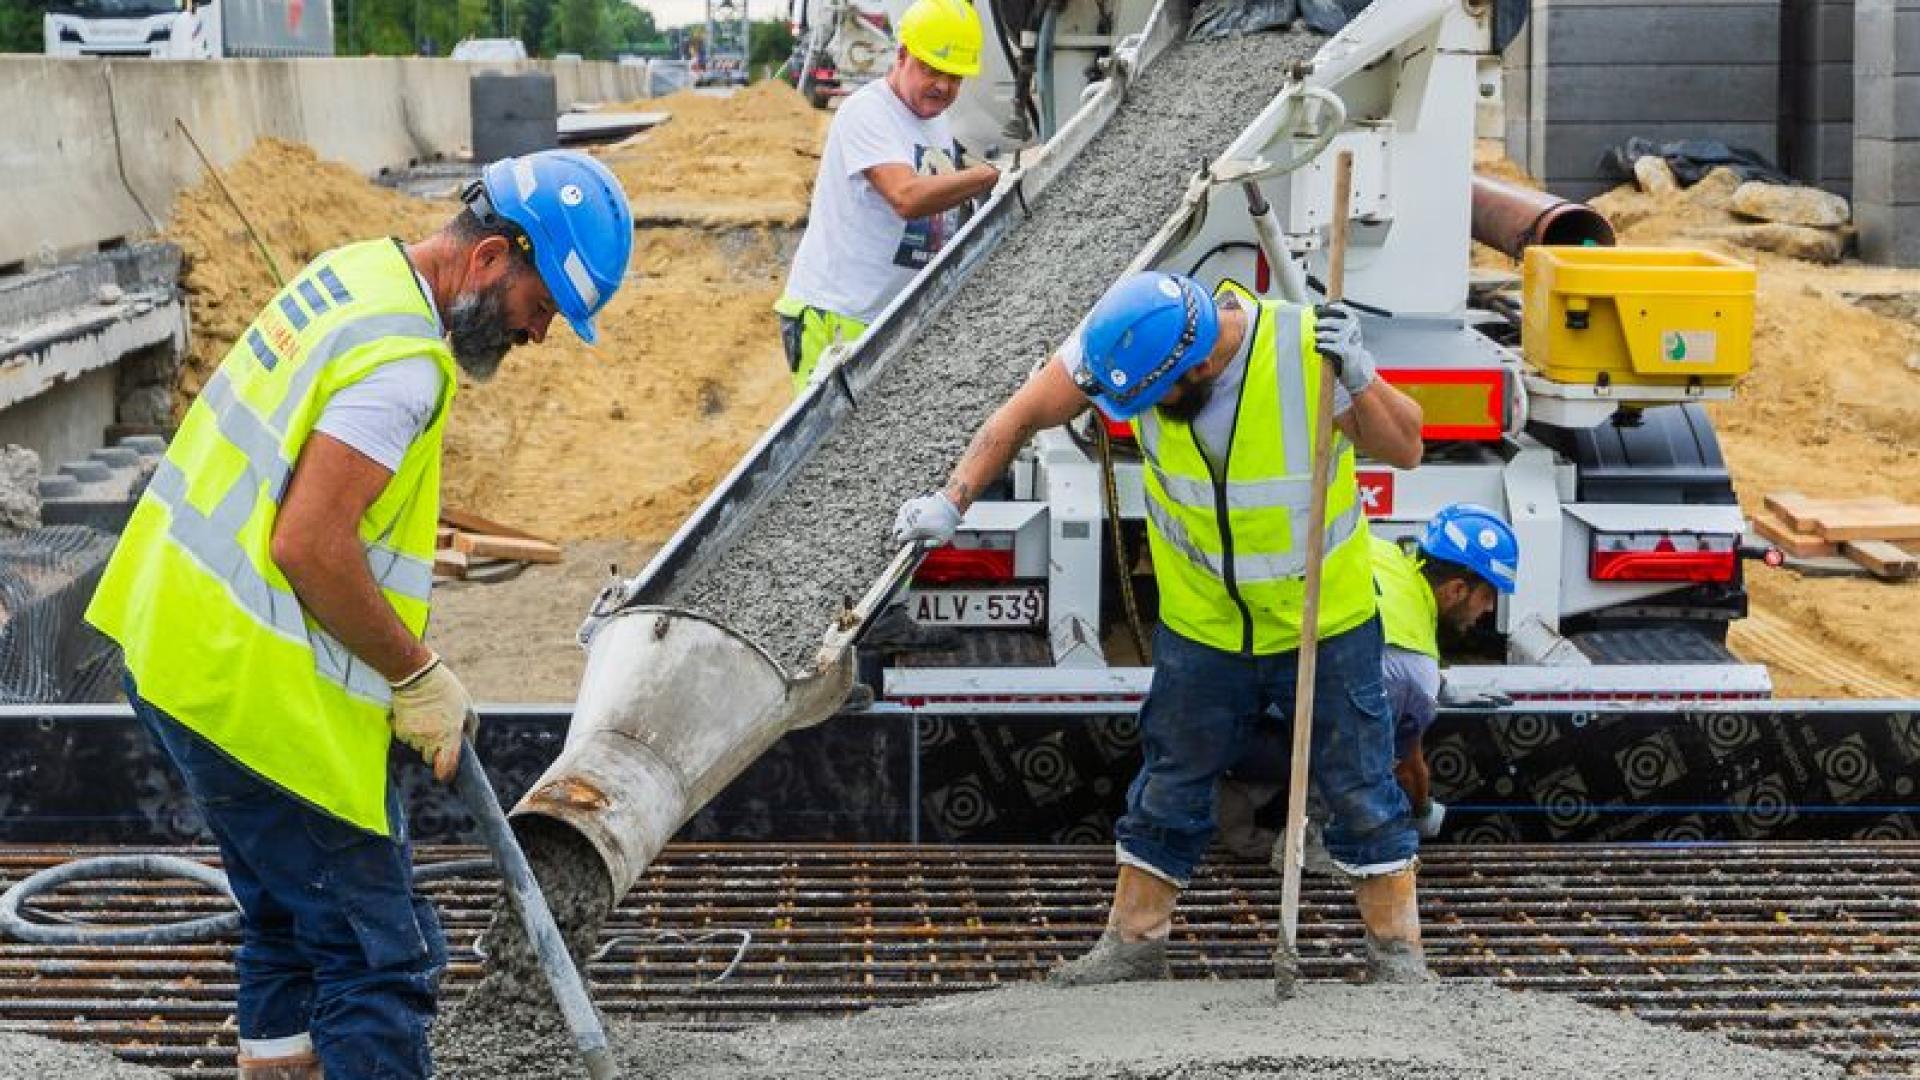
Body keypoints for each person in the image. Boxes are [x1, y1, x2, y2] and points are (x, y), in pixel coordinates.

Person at [84, 150, 633, 1079]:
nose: (537, 336)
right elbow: (310, 544)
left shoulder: (355, 274)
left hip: (176, 649)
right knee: (381, 958)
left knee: (287, 927)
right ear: (491, 257)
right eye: (540, 307)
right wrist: (416, 673)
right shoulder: (402, 367)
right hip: (256, 697)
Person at [892, 270, 1430, 985]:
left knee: (1361, 787)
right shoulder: (1130, 341)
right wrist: (953, 499)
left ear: (1199, 367)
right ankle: (1135, 944)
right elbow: (1021, 414)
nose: (1141, 413)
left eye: (1156, 400)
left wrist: (1361, 379)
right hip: (1203, 626)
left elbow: (1407, 448)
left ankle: (1397, 956)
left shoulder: (1305, 350)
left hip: (1322, 623)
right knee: (1169, 783)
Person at [1212, 505, 1521, 863]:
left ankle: (1234, 826)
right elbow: (1404, 765)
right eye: (1488, 596)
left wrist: (1438, 684)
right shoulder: (1413, 670)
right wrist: (1422, 810)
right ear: (1456, 590)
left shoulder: (1380, 551)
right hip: (1252, 730)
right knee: (1359, 753)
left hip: (1218, 705)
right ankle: (1309, 844)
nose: (1488, 610)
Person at [774, 0, 1001, 389]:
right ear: (902, 55)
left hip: (891, 317)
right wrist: (988, 176)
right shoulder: (868, 112)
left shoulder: (936, 121)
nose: (943, 86)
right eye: (932, 70)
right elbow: (906, 197)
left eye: (955, 77)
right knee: (836, 428)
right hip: (837, 317)